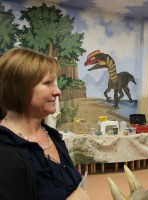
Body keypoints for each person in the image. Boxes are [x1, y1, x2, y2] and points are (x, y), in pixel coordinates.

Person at [0, 48, 90, 200]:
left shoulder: (53, 137)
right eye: (48, 83)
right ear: (19, 89)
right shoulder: (5, 152)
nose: (58, 91)